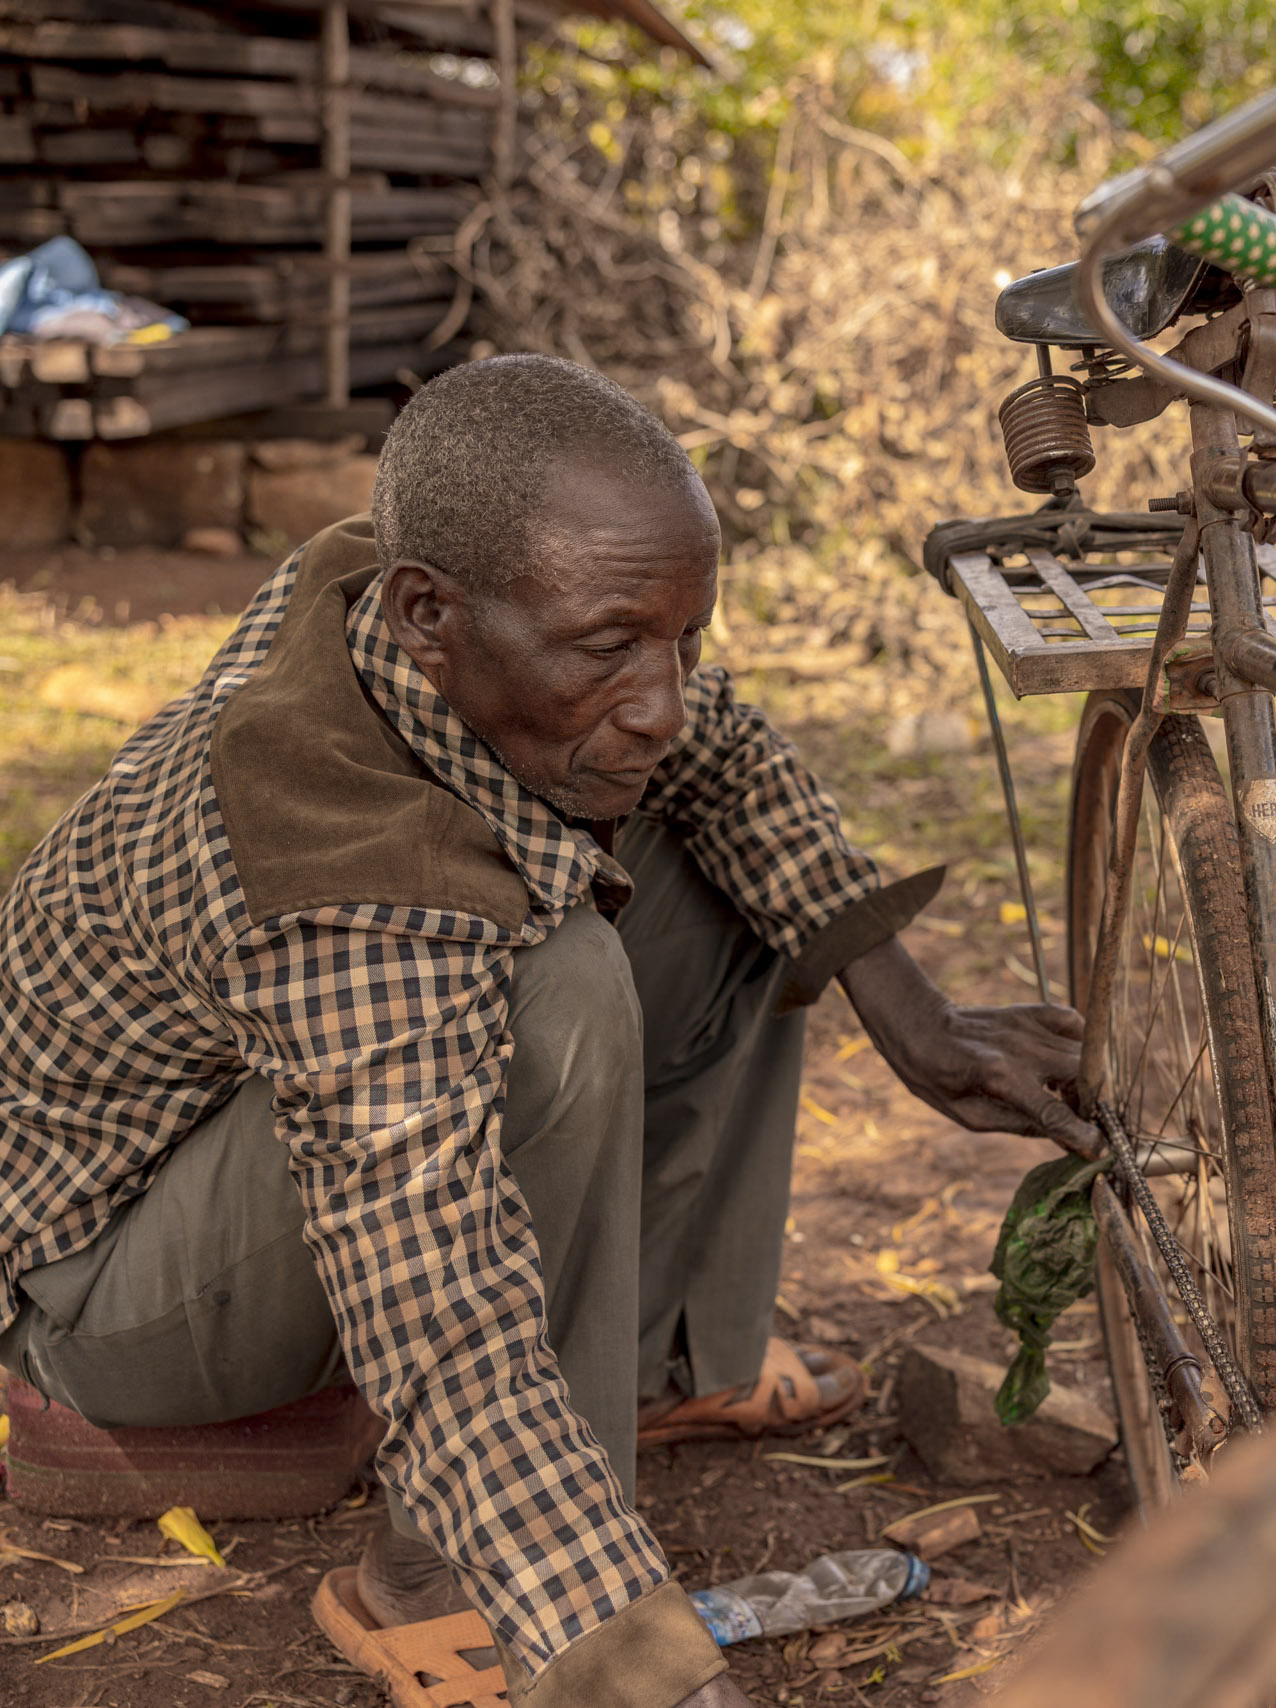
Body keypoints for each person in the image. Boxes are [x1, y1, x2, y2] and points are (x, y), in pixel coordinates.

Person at [0, 353, 1097, 1707]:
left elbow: (729, 761)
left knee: (707, 875)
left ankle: (650, 1366)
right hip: (105, 1306)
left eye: (681, 641)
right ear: (429, 617)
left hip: (262, 1161)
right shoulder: (330, 867)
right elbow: (438, 1304)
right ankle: (432, 1579)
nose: (665, 698)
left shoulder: (431, 592)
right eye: (613, 650)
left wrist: (915, 1019)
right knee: (557, 986)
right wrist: (628, 1659)